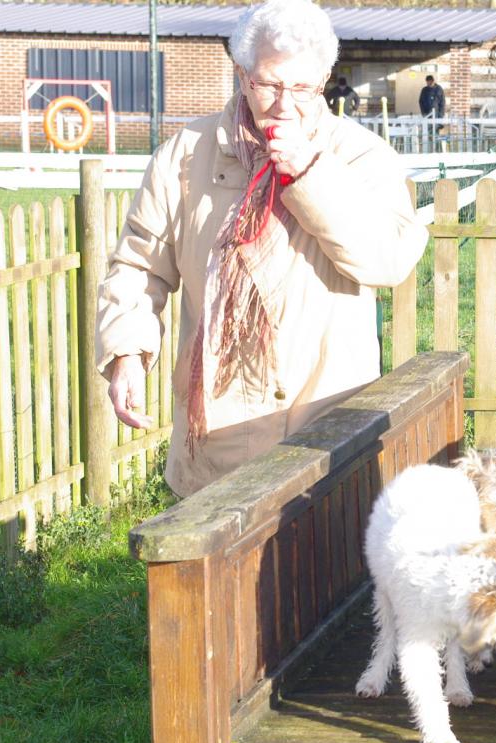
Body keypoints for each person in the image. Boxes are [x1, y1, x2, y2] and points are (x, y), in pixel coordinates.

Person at [95, 0, 428, 498]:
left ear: (323, 82)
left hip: (325, 427)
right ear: (242, 73)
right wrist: (125, 353)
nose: (284, 104)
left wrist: (310, 175)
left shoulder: (359, 156)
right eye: (269, 84)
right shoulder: (185, 155)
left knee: (319, 572)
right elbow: (140, 266)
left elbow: (388, 260)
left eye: (303, 88)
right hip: (215, 440)